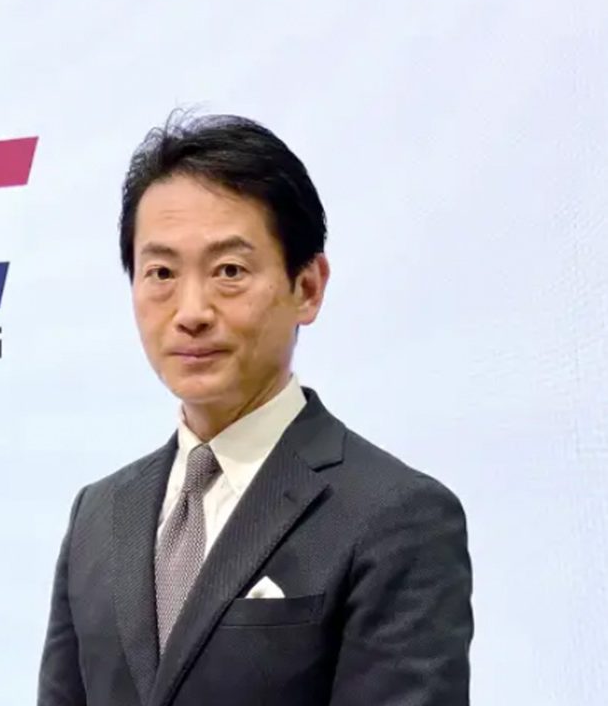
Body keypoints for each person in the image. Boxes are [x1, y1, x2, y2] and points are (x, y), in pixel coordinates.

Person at [36, 113, 473, 705]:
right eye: (161, 272)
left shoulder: (396, 516)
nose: (191, 311)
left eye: (229, 271)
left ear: (307, 287)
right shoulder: (98, 513)